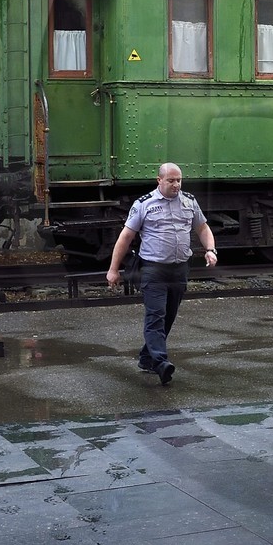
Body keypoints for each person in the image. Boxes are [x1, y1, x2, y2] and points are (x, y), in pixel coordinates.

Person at [105, 163, 218, 385]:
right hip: (153, 270)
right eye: (171, 180)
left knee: (168, 317)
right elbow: (125, 237)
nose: (176, 185)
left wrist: (210, 250)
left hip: (179, 269)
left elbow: (202, 228)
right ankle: (161, 363)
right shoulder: (144, 204)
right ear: (159, 180)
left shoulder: (189, 201)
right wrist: (113, 269)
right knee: (155, 316)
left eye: (179, 180)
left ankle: (147, 358)